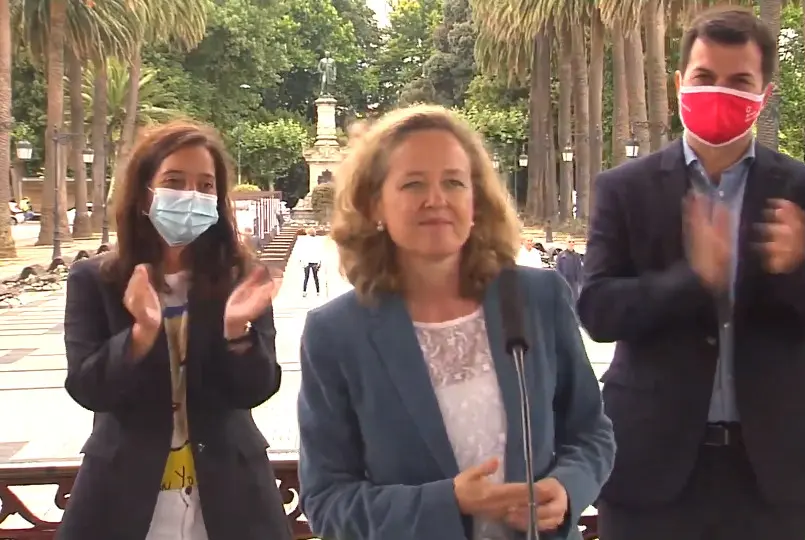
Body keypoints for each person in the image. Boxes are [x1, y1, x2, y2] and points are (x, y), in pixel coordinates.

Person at [577, 7, 805, 540]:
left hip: (771, 474)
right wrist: (691, 279)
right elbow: (597, 310)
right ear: (678, 84)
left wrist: (798, 268)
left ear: (766, 93)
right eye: (705, 78)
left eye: (740, 82)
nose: (720, 92)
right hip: (650, 467)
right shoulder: (625, 189)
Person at [297, 105, 615, 540]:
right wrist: (448, 503)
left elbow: (591, 433)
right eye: (413, 184)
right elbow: (327, 502)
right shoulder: (335, 334)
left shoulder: (538, 299)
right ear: (375, 205)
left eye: (453, 182)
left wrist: (567, 488)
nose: (436, 199)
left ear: (475, 201)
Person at [58, 121, 292, 540]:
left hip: (231, 498)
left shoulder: (242, 278)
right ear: (145, 193)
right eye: (174, 181)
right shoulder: (95, 280)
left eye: (205, 186)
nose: (191, 196)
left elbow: (258, 387)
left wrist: (237, 332)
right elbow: (87, 387)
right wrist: (140, 335)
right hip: (123, 497)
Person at [293, 228, 323, 297]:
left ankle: (304, 291)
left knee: (306, 277)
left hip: (306, 261)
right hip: (315, 261)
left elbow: (301, 251)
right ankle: (318, 291)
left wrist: (300, 260)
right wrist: (320, 262)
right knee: (316, 277)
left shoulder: (304, 241)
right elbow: (320, 251)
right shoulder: (318, 241)